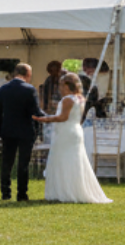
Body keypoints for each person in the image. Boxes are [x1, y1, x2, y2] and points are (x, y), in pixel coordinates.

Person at [35, 72, 113, 204]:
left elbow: (62, 117)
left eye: (61, 85)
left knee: (63, 160)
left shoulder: (68, 99)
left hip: (66, 132)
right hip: (75, 130)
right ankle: (74, 189)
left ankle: (65, 191)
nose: (59, 88)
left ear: (67, 85)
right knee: (74, 161)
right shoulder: (81, 98)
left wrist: (43, 119)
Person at [0, 62, 42, 202]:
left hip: (8, 131)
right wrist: (49, 117)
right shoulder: (29, 89)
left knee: (7, 163)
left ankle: (5, 192)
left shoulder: (3, 89)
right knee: (23, 163)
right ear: (28, 74)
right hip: (26, 131)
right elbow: (36, 111)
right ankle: (21, 194)